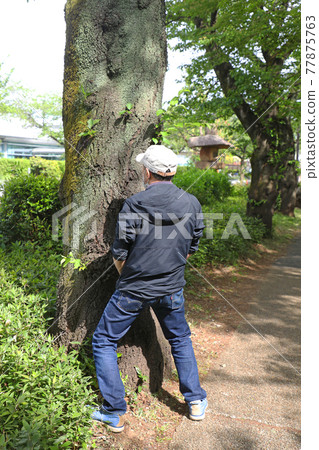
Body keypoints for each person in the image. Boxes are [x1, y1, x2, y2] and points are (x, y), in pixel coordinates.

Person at [91, 145, 207, 432]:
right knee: (179, 338)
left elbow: (120, 251)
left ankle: (114, 411)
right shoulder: (191, 201)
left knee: (104, 341)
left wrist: (129, 277)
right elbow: (193, 245)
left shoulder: (134, 203)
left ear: (147, 171)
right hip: (171, 288)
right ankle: (194, 401)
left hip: (133, 289)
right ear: (173, 171)